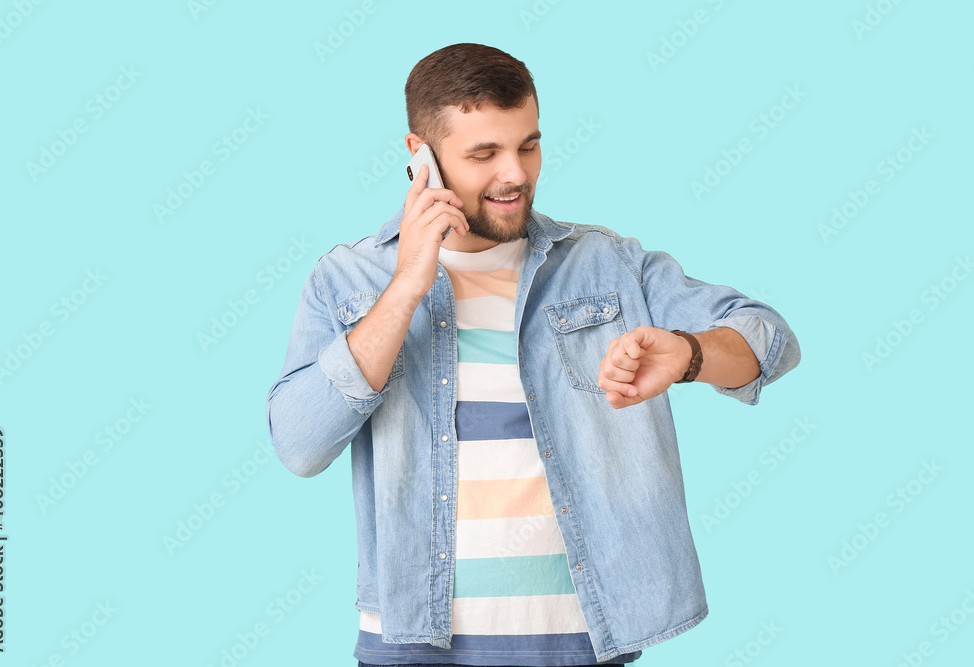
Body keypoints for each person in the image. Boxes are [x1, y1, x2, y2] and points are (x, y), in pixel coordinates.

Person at [265, 43, 800, 667]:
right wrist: (407, 285)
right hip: (413, 646)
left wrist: (688, 354)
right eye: (483, 154)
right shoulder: (346, 280)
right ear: (421, 157)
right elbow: (298, 445)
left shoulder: (606, 264)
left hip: (585, 643)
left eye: (528, 145)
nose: (514, 174)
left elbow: (769, 340)